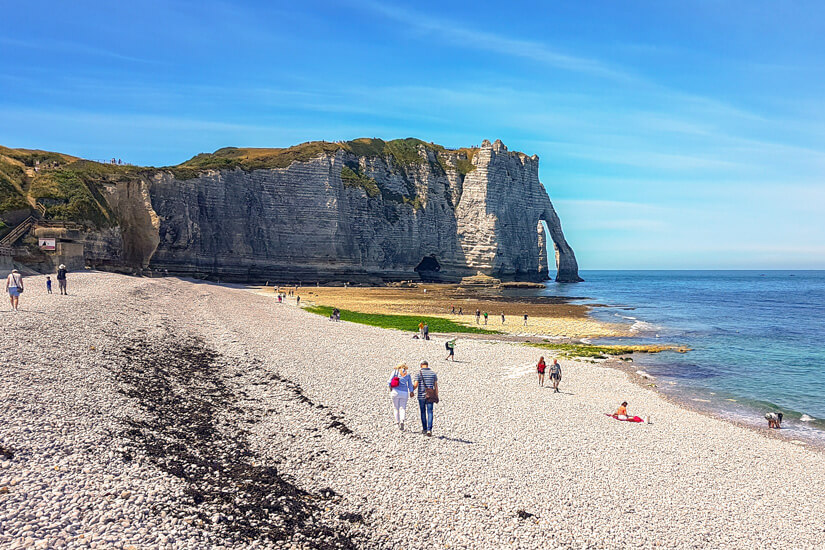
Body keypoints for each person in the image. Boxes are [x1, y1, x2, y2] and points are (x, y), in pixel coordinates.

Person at [413, 360, 438, 436]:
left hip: (421, 396)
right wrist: (436, 395)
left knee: (423, 412)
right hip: (430, 396)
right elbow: (436, 386)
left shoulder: (418, 373)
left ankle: (424, 429)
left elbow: (416, 385)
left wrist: (411, 390)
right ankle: (429, 430)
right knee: (430, 412)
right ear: (427, 365)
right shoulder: (433, 373)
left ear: (421, 365)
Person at [388, 363, 414, 431]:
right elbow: (410, 385)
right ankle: (402, 420)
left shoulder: (395, 372)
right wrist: (411, 391)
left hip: (395, 391)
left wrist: (390, 388)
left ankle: (397, 423)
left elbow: (389, 381)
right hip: (404, 392)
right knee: (403, 408)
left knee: (395, 408)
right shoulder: (407, 374)